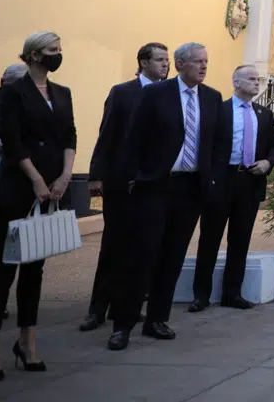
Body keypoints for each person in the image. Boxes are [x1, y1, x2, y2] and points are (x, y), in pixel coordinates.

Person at [107, 43, 221, 351]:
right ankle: (123, 325)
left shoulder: (211, 98)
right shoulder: (157, 94)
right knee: (142, 255)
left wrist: (211, 178)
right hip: (156, 187)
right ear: (180, 63)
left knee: (172, 257)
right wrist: (134, 177)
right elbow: (134, 138)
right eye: (198, 61)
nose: (203, 66)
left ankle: (156, 319)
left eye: (206, 62)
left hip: (190, 189)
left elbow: (216, 144)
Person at [0, 32, 76, 380]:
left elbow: (70, 136)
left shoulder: (62, 92)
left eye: (60, 51)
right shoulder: (12, 92)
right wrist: (36, 179)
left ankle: (28, 342)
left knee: (35, 269)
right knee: (3, 270)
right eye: (52, 51)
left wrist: (65, 176)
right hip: (20, 187)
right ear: (34, 55)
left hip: (53, 187)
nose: (57, 56)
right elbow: (13, 139)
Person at [81, 43, 169, 331]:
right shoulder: (122, 93)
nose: (165, 65)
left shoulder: (169, 95)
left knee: (143, 248)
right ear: (143, 63)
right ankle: (98, 308)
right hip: (120, 182)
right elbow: (106, 134)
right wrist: (96, 175)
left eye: (167, 60)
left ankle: (127, 306)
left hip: (152, 183)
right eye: (159, 60)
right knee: (114, 245)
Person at [190, 65, 274, 311]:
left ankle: (232, 293)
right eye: (250, 78)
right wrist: (208, 179)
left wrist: (268, 163)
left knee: (240, 240)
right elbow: (205, 146)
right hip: (221, 181)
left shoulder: (264, 113)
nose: (256, 82)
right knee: (210, 239)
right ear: (236, 82)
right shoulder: (220, 111)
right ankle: (201, 295)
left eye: (257, 79)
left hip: (249, 182)